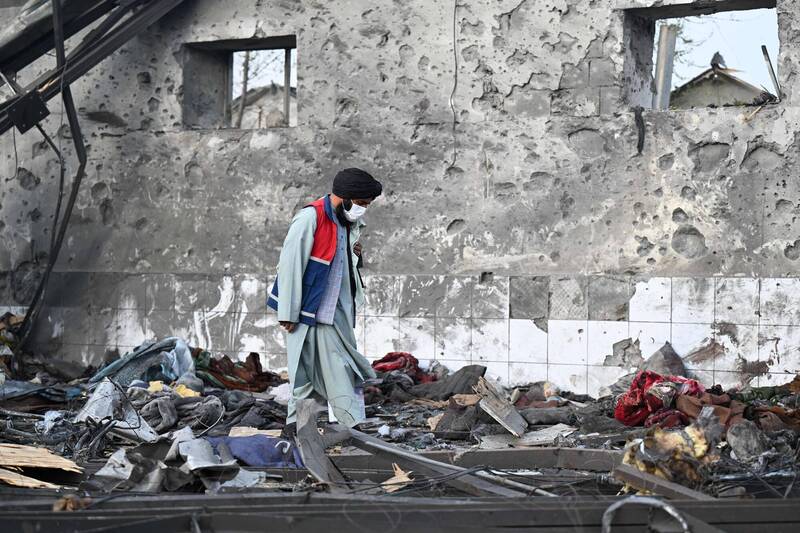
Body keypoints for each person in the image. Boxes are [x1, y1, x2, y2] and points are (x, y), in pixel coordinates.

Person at [268, 168, 382, 436]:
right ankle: (305, 427)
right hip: (307, 311)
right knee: (306, 373)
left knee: (340, 368)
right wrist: (288, 312)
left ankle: (342, 426)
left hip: (335, 311)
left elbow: (342, 263)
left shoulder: (346, 221)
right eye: (361, 203)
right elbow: (290, 264)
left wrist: (355, 254)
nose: (363, 209)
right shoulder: (310, 217)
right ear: (345, 197)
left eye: (367, 205)